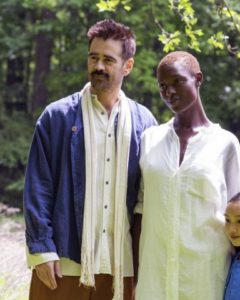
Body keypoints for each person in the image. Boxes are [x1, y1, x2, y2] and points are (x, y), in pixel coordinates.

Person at [23, 19, 156, 300]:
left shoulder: (145, 123)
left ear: (127, 66)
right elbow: (38, 188)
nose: (98, 66)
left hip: (122, 269)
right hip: (63, 264)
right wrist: (41, 250)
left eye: (109, 60)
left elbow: (150, 198)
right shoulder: (56, 117)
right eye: (93, 57)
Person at [133, 51, 240, 300]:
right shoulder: (149, 140)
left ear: (198, 79)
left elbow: (239, 216)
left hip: (206, 277)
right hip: (155, 279)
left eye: (177, 82)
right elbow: (140, 212)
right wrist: (135, 275)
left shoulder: (225, 144)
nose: (169, 92)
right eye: (163, 86)